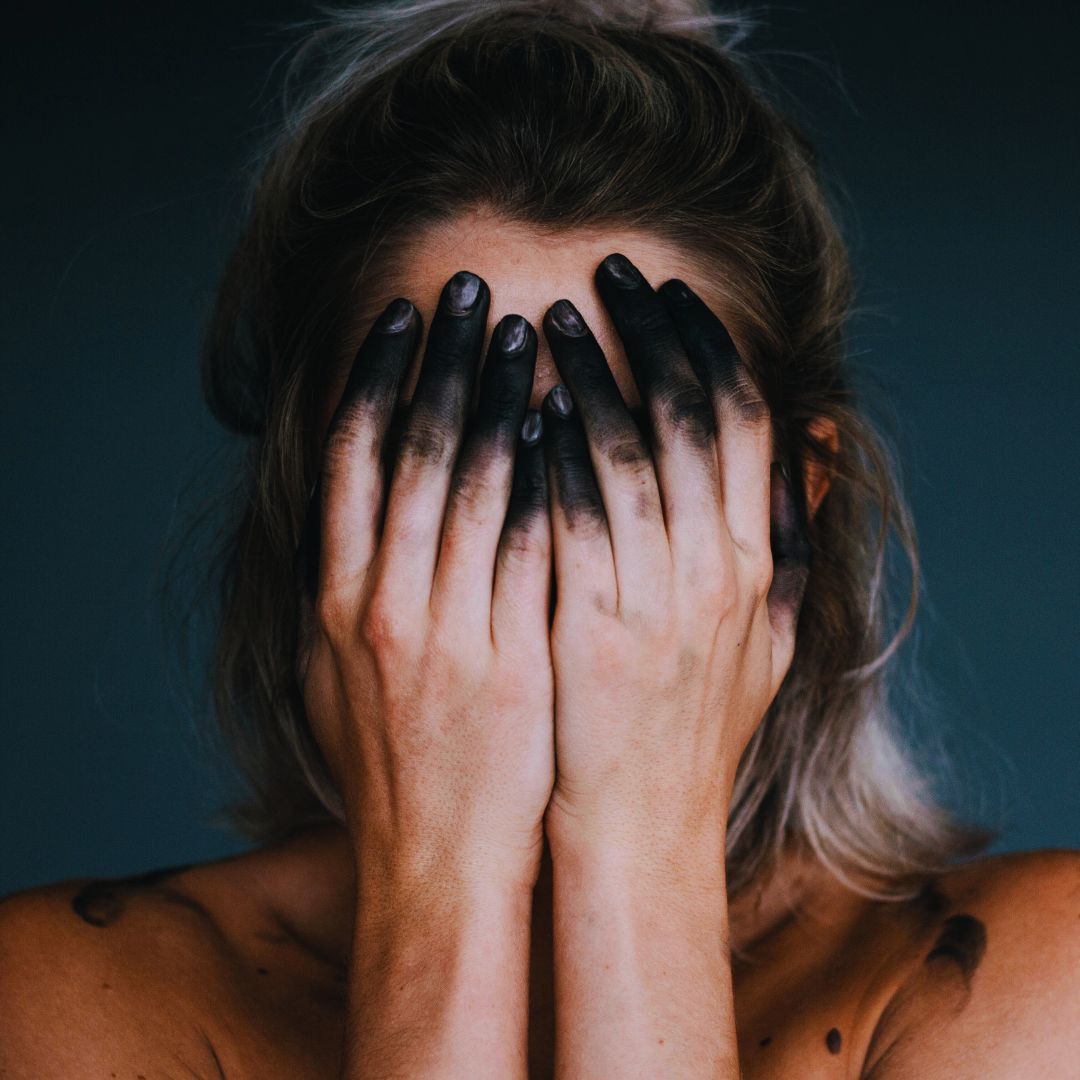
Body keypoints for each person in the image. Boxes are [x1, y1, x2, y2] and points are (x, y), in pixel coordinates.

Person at [1, 1, 1076, 1076]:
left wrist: (638, 852)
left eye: (629, 455)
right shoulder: (66, 998)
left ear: (791, 506)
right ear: (313, 513)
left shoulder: (1024, 985)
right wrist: (442, 883)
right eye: (447, 455)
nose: (532, 550)